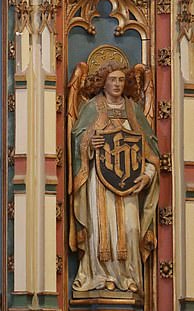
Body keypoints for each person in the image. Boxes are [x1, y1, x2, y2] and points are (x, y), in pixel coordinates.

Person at [69, 60, 160, 296]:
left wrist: (147, 177)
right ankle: (100, 276)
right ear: (104, 82)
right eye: (113, 80)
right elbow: (77, 139)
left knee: (130, 229)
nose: (117, 84)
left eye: (121, 79)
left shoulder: (134, 110)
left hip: (129, 184)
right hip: (98, 182)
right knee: (100, 230)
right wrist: (90, 143)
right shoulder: (92, 108)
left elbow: (151, 150)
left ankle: (129, 277)